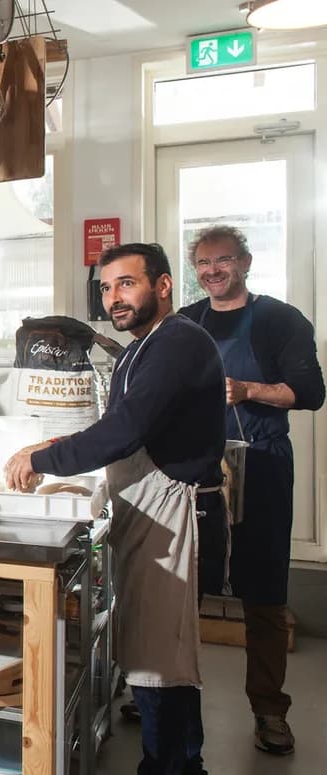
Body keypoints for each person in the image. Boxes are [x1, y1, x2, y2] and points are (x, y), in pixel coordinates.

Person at [4, 243, 225, 775]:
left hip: (172, 512)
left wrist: (45, 460)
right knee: (156, 654)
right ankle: (177, 760)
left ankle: (172, 765)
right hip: (146, 510)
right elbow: (120, 424)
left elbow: (127, 432)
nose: (113, 298)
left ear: (164, 285)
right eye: (106, 288)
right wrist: (52, 444)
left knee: (160, 659)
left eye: (126, 283)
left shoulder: (177, 343)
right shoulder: (138, 348)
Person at [177, 225, 324, 755]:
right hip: (196, 471)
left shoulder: (281, 320)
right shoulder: (187, 322)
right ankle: (166, 694)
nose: (213, 271)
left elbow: (310, 392)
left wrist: (248, 390)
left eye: (223, 260)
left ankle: (268, 709)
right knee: (183, 586)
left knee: (263, 593)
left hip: (261, 465)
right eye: (204, 263)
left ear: (245, 262)